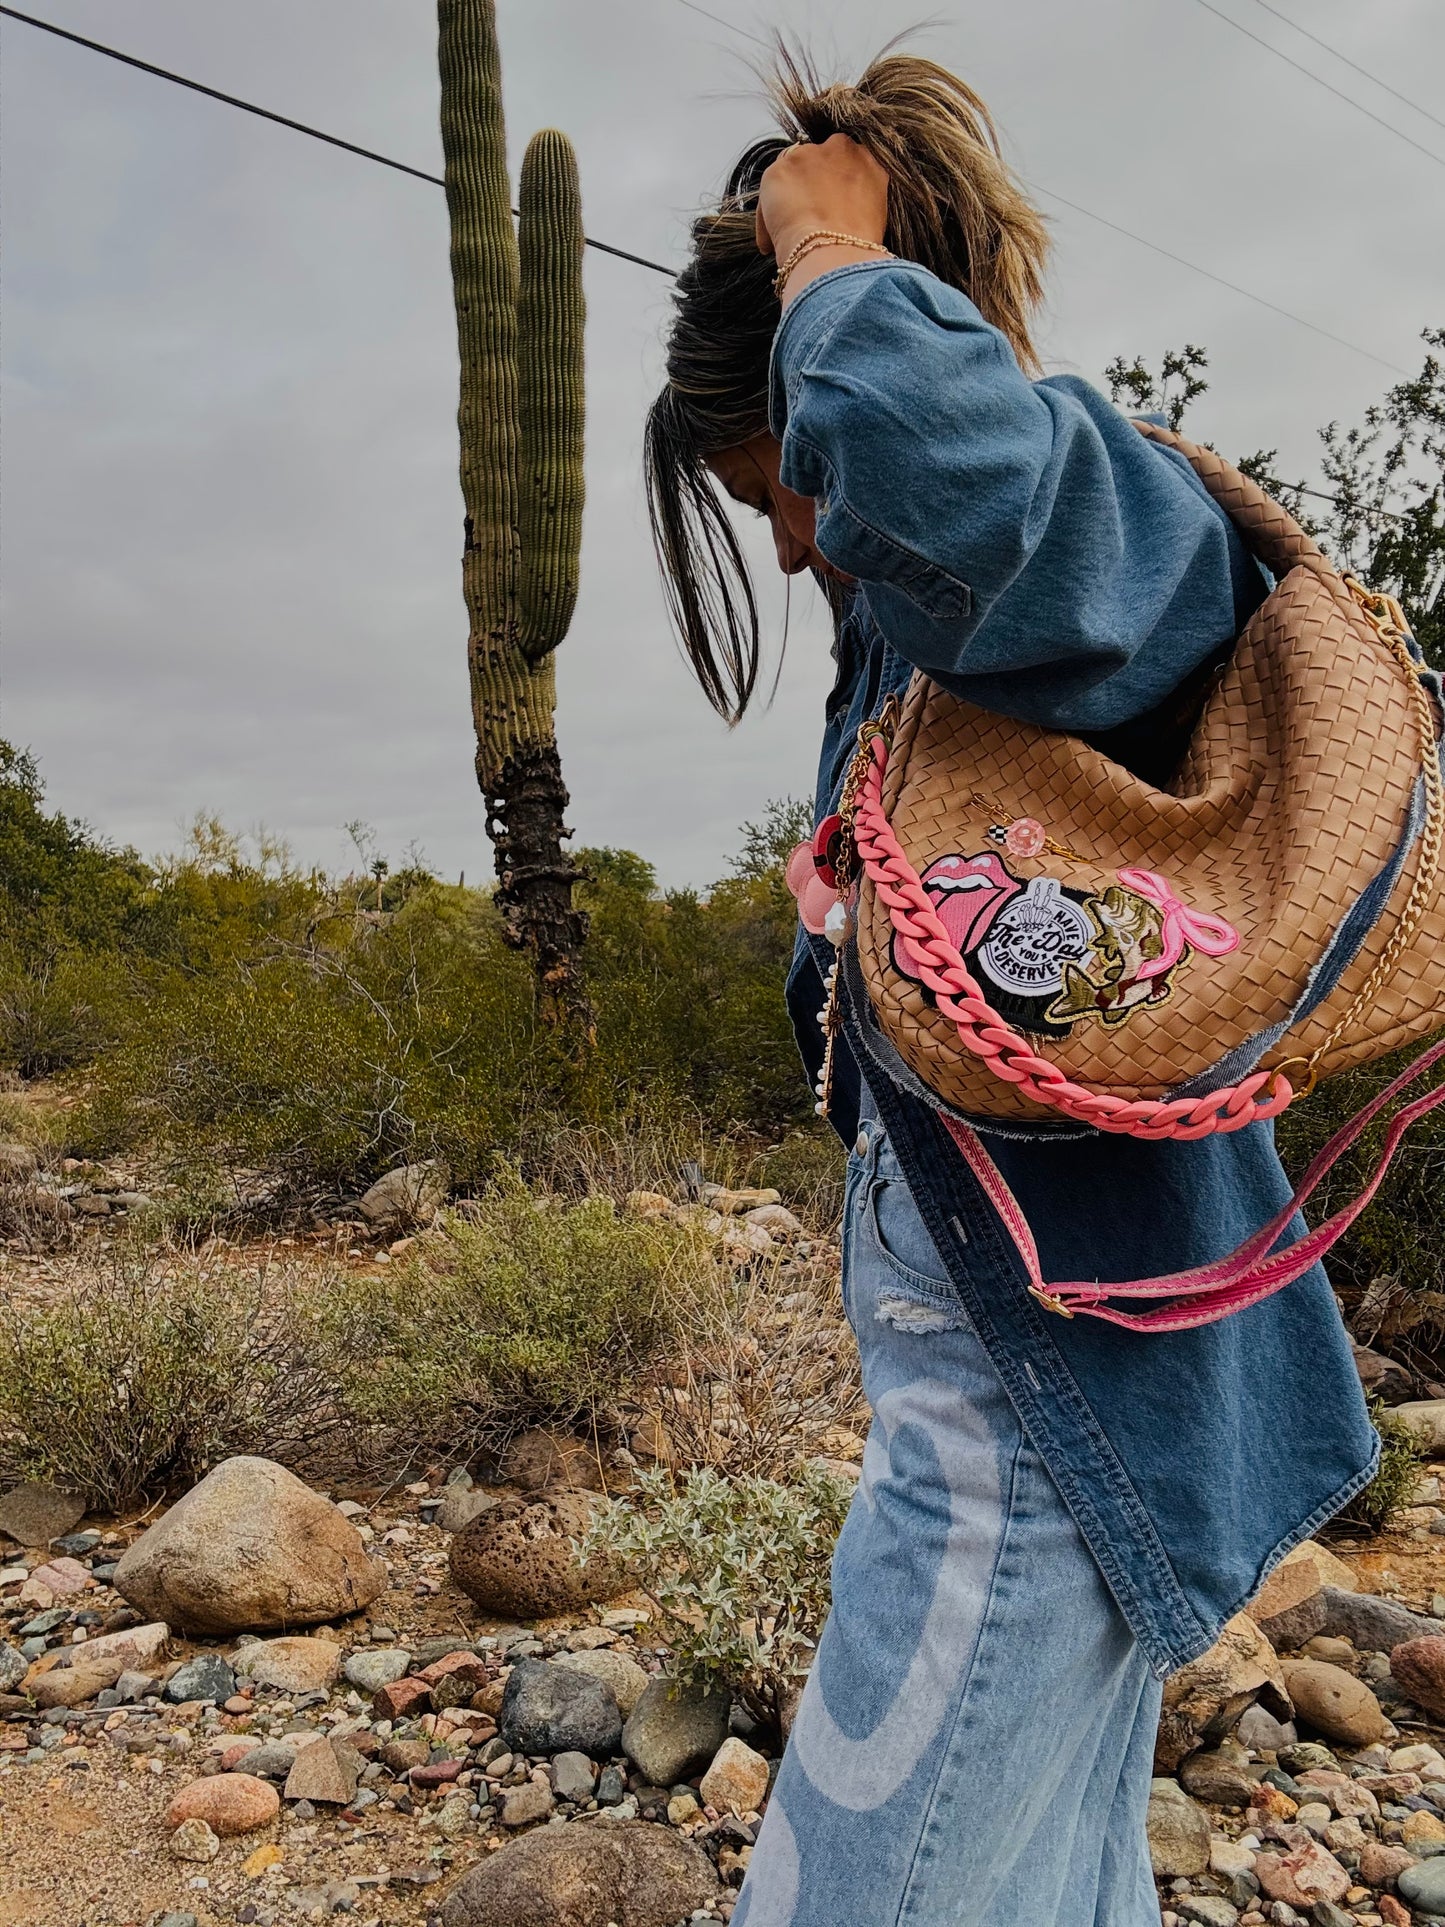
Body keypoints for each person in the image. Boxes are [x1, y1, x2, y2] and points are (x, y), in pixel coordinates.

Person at [644, 51, 1377, 1927]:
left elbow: (941, 460)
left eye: (781, 482)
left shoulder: (1085, 532)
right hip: (1049, 1416)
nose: (793, 534)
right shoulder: (946, 659)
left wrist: (821, 261)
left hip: (1036, 1449)